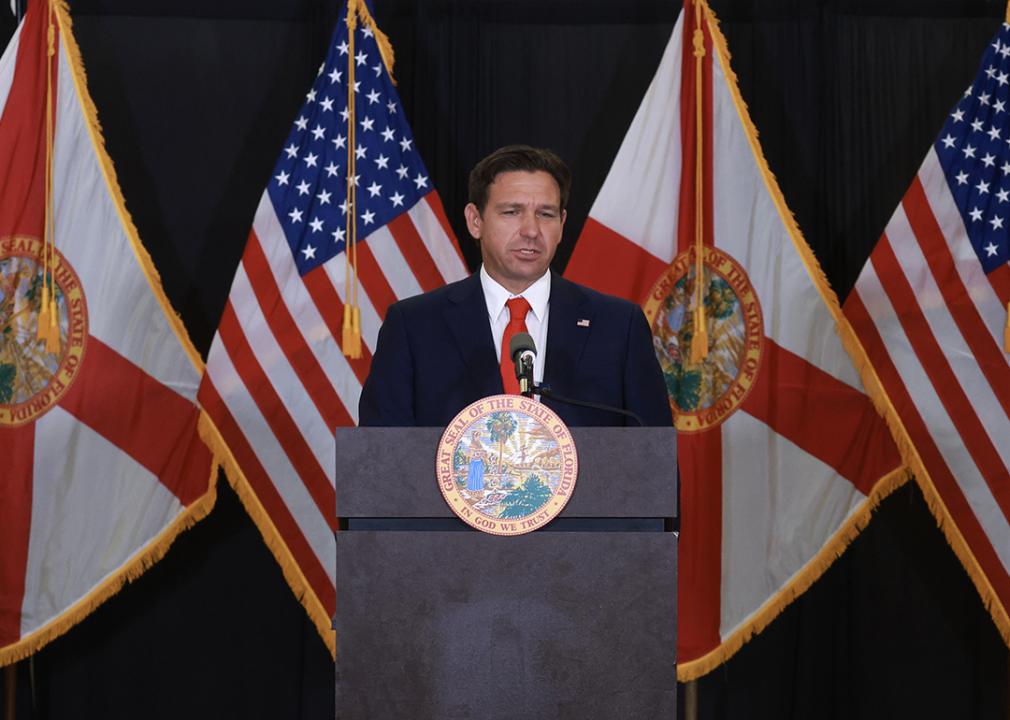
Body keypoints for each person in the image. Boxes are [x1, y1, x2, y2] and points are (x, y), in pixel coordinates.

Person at [357, 145, 672, 428]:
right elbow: (381, 462)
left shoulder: (618, 326)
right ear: (474, 221)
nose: (531, 230)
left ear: (562, 224)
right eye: (512, 212)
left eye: (545, 214)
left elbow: (653, 464)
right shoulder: (414, 326)